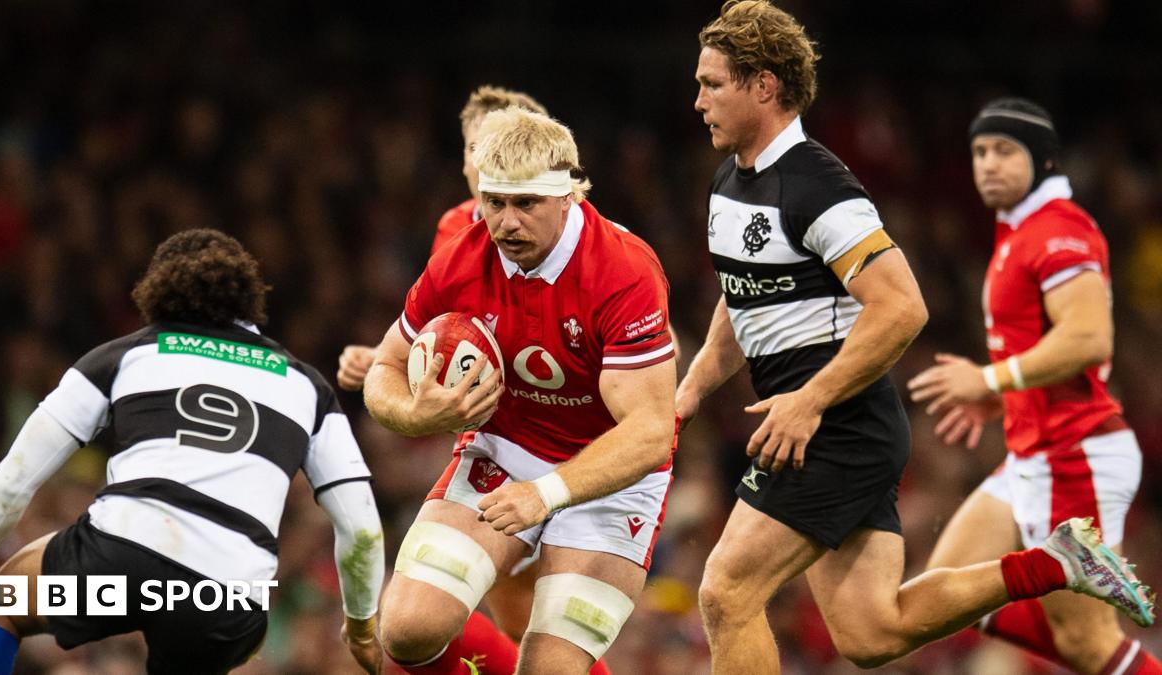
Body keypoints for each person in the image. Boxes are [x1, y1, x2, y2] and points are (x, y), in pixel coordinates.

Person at [675, 2, 1154, 673]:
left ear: (764, 86)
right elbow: (742, 293)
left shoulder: (820, 187)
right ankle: (1051, 562)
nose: (697, 101)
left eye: (713, 83)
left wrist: (810, 400)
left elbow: (902, 308)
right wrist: (689, 389)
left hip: (833, 426)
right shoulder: (730, 182)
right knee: (872, 632)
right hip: (821, 425)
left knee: (727, 592)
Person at [0, 229, 385, 674]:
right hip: (225, 601)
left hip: (116, 567)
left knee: (5, 601)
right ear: (248, 300)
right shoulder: (308, 387)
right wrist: (359, 627)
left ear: (157, 293)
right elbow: (362, 530)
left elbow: (15, 478)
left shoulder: (120, 356)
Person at [363, 107, 677, 675]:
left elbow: (651, 433)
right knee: (407, 630)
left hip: (609, 474)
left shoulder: (624, 272)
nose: (506, 223)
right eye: (494, 201)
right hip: (504, 452)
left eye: (525, 203)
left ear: (568, 196)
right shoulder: (461, 258)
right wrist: (416, 414)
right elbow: (384, 366)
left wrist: (546, 493)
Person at [908, 98, 1162, 675]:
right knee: (950, 602)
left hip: (1075, 454)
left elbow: (1090, 339)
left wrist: (990, 376)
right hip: (1034, 454)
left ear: (1045, 160)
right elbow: (1054, 349)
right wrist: (1002, 397)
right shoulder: (1020, 234)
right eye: (979, 152)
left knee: (1091, 645)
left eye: (1005, 151)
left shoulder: (1059, 229)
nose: (988, 164)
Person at [337, 85, 548, 393]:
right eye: (474, 149)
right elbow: (438, 331)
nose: (483, 164)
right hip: (492, 414)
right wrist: (380, 358)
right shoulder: (453, 229)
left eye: (497, 150)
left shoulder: (578, 240)